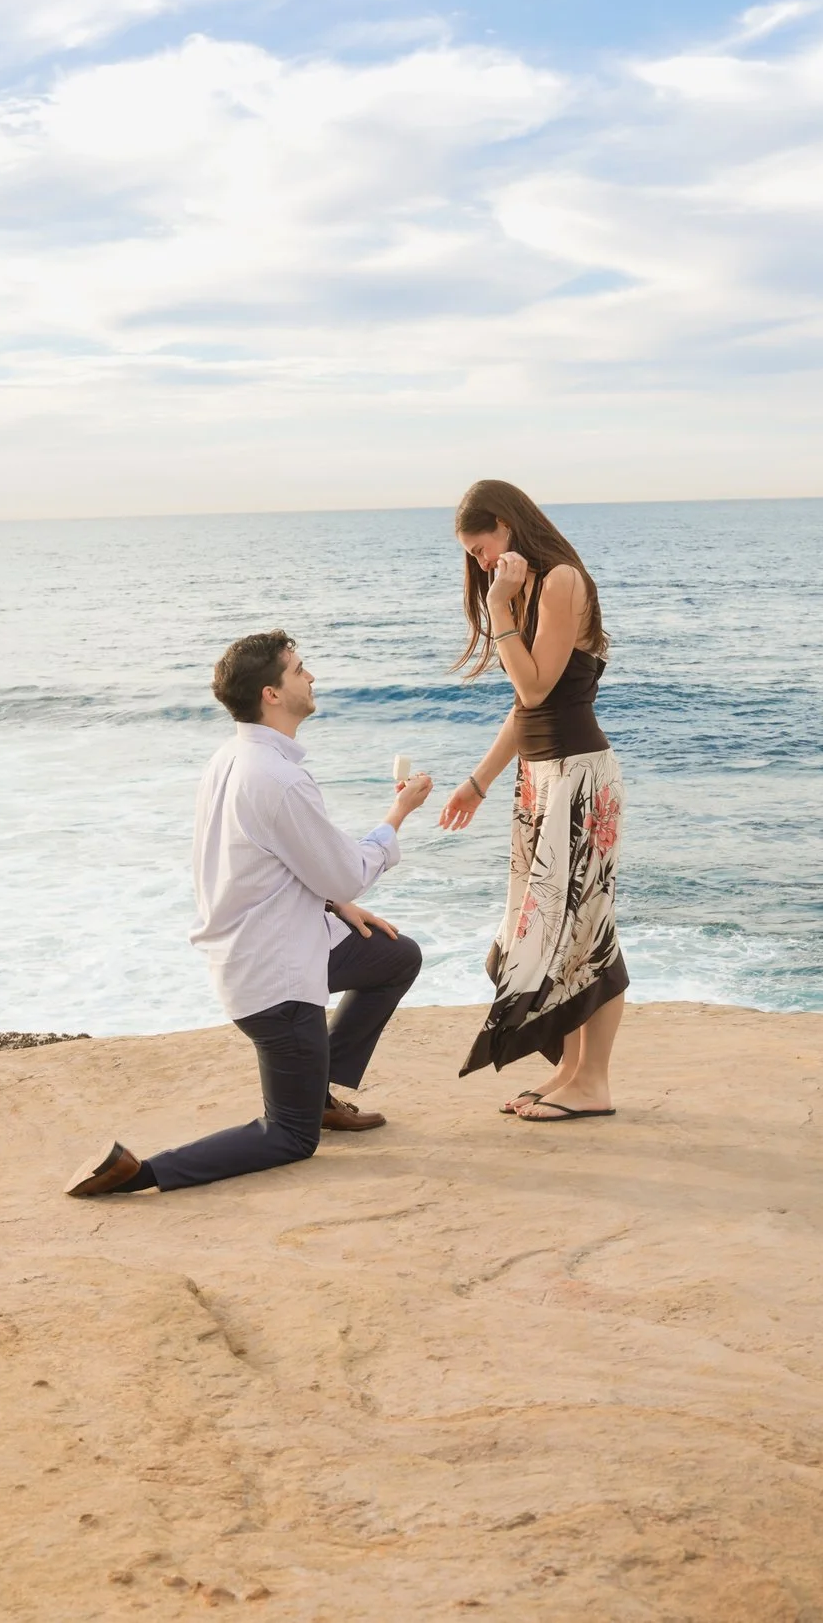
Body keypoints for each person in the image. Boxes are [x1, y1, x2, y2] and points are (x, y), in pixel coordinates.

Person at [67, 631, 434, 1197]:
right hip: (275, 978)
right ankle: (139, 1173)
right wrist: (399, 812)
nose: (311, 677)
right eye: (299, 669)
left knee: (394, 956)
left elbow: (263, 861)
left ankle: (318, 1093)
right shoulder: (277, 777)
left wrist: (338, 904)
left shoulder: (232, 758)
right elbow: (343, 869)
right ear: (272, 693)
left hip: (271, 946)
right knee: (290, 1136)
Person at [435, 480, 628, 1121]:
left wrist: (501, 610)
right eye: (473, 556)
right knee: (545, 934)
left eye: (482, 547)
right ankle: (571, 1073)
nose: (481, 563)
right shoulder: (528, 589)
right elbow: (523, 711)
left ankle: (592, 1083)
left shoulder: (561, 581)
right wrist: (478, 781)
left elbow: (538, 688)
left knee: (585, 933)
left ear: (506, 525)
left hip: (578, 778)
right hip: (542, 778)